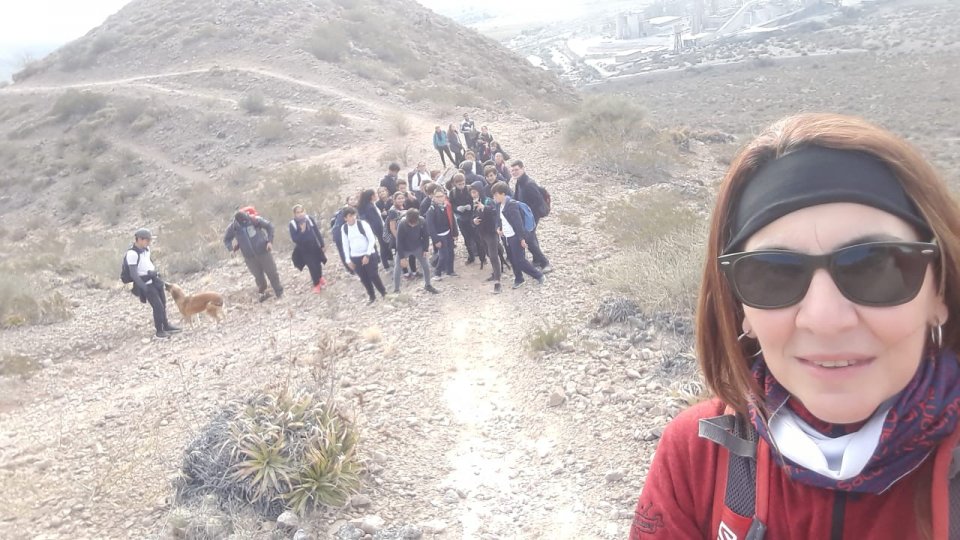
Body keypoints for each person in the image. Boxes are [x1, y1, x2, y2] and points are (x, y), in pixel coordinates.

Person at [629, 113, 960, 539]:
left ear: (939, 290)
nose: (825, 320)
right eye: (773, 274)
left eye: (876, 266)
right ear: (741, 308)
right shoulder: (697, 453)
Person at [124, 228, 181, 338]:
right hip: (146, 283)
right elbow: (134, 274)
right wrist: (143, 287)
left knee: (163, 303)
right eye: (147, 240)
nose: (149, 242)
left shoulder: (146, 249)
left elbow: (147, 263)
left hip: (155, 279)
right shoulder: (132, 254)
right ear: (139, 239)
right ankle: (159, 331)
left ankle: (166, 325)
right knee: (157, 306)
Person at [492, 182, 544, 289]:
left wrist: (522, 239)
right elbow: (498, 219)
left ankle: (538, 275)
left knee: (520, 260)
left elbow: (518, 223)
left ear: (503, 194)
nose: (494, 197)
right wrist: (498, 228)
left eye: (496, 194)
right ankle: (519, 278)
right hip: (506, 237)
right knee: (512, 258)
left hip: (515, 237)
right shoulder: (498, 205)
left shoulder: (511, 205)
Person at [224, 209, 284, 302]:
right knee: (258, 277)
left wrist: (269, 241)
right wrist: (231, 250)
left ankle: (279, 292)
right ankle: (263, 294)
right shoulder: (233, 227)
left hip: (263, 251)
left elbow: (269, 226)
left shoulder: (255, 220)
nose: (244, 222)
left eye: (245, 221)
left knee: (272, 273)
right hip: (249, 257)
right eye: (242, 222)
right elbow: (226, 239)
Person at [511, 160, 553, 273]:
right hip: (525, 216)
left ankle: (545, 263)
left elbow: (538, 201)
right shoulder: (519, 182)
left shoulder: (529, 184)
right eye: (512, 170)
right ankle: (537, 260)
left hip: (532, 216)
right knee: (532, 237)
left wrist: (529, 215)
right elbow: (516, 198)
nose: (514, 172)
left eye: (516, 170)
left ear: (522, 169)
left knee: (528, 239)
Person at [339, 207, 387, 304]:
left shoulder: (363, 224)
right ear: (345, 218)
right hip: (355, 256)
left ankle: (383, 293)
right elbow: (345, 244)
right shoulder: (344, 228)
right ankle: (372, 296)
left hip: (369, 254)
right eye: (350, 216)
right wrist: (348, 260)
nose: (353, 217)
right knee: (363, 278)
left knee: (373, 275)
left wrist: (367, 255)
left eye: (354, 215)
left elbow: (372, 239)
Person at [393, 209, 438, 295]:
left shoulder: (422, 221)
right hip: (404, 249)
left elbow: (425, 236)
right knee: (397, 267)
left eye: (414, 223)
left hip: (418, 247)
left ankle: (428, 285)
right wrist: (402, 257)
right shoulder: (402, 224)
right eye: (410, 223)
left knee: (426, 265)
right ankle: (396, 290)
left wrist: (425, 249)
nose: (413, 225)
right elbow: (399, 241)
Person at [471, 184, 503, 294]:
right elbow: (472, 217)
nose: (473, 195)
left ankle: (497, 282)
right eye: (472, 193)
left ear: (480, 191)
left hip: (491, 233)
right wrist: (474, 221)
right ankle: (496, 272)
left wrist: (484, 208)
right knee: (489, 254)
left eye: (475, 192)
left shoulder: (488, 201)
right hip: (481, 233)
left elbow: (495, 212)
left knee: (493, 256)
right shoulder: (474, 203)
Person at [289, 204, 327, 293]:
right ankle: (316, 284)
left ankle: (320, 277)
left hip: (314, 246)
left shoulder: (309, 219)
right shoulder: (293, 224)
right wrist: (302, 231)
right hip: (304, 250)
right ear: (294, 214)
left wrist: (322, 244)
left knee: (318, 263)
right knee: (312, 266)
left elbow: (317, 232)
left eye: (301, 211)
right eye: (298, 212)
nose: (300, 214)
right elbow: (295, 239)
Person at [426, 188, 459, 280]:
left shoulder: (447, 206)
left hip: (448, 233)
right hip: (439, 235)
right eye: (437, 197)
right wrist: (436, 240)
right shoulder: (431, 210)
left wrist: (455, 233)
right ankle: (437, 272)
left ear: (444, 196)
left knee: (451, 253)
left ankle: (450, 271)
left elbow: (452, 220)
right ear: (433, 198)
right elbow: (430, 227)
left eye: (441, 196)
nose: (440, 198)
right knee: (443, 255)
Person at [358, 188, 391, 271]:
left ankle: (389, 258)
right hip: (379, 228)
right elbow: (375, 220)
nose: (377, 195)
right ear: (372, 196)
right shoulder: (370, 207)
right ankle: (386, 265)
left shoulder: (371, 204)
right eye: (375, 194)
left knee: (385, 244)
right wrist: (382, 229)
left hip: (380, 227)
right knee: (383, 245)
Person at [449, 172, 478, 265]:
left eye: (463, 183)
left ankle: (481, 255)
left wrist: (471, 205)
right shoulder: (452, 192)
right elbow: (451, 204)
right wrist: (457, 208)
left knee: (476, 236)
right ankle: (471, 256)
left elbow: (475, 199)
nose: (461, 186)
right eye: (459, 184)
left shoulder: (469, 189)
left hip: (471, 217)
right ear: (455, 184)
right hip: (461, 218)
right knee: (466, 238)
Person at [331, 194, 359, 275]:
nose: (353, 201)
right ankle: (351, 270)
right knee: (344, 252)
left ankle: (353, 268)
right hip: (339, 234)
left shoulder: (351, 209)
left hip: (343, 233)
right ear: (347, 201)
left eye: (354, 199)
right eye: (351, 199)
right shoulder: (345, 210)